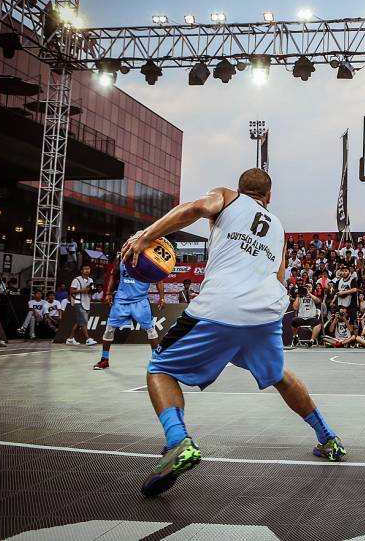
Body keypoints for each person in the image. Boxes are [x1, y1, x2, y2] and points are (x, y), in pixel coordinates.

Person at [121, 168, 346, 499]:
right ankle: (329, 439)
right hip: (267, 311)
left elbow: (195, 209)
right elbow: (280, 277)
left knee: (160, 369)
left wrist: (144, 236)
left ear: (242, 189)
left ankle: (177, 441)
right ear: (268, 197)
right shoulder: (279, 228)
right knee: (279, 375)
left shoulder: (227, 196)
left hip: (222, 305)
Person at [93, 257, 166, 370]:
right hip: (121, 300)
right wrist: (108, 293)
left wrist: (162, 298)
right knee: (109, 329)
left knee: (150, 330)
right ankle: (104, 359)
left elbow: (159, 280)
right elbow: (114, 276)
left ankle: (157, 360)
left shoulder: (148, 260)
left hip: (140, 300)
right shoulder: (121, 260)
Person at [66, 265, 97, 346]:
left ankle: (70, 339)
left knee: (79, 322)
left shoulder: (91, 280)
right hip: (78, 302)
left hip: (86, 302)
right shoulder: (76, 280)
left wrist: (92, 290)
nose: (87, 270)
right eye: (85, 269)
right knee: (84, 321)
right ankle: (87, 339)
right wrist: (83, 290)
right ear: (81, 271)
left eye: (88, 268)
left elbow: (91, 290)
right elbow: (71, 291)